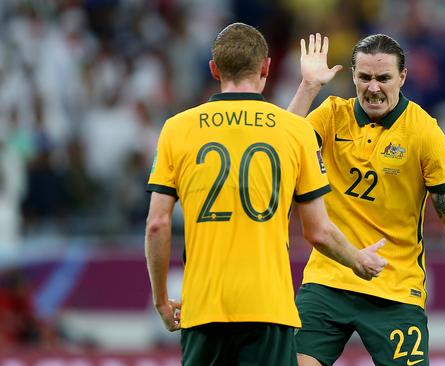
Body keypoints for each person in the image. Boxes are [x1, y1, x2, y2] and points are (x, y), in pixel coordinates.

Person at [144, 23, 388, 366]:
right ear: (266, 67)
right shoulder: (295, 133)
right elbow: (318, 230)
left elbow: (157, 225)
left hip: (203, 309)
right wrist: (357, 260)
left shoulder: (176, 129)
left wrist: (161, 300)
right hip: (269, 310)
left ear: (214, 69)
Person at [287, 33, 445, 366]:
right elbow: (280, 148)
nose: (373, 88)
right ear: (353, 76)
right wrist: (308, 87)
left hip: (395, 288)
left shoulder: (423, 131)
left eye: (383, 78)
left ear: (402, 77)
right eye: (364, 77)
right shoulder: (331, 115)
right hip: (329, 279)